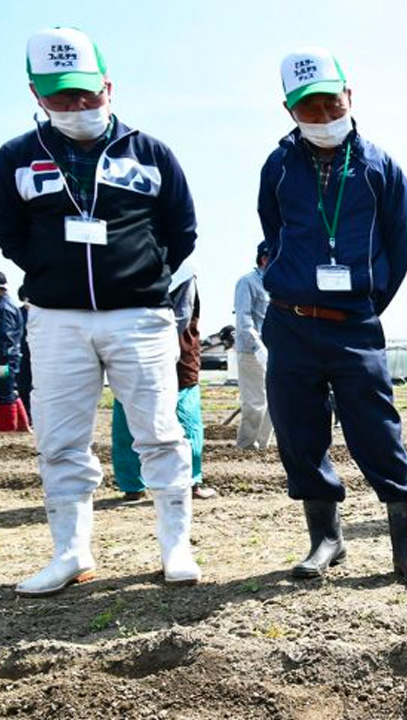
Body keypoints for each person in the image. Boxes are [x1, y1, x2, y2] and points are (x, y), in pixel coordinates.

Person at [0, 27, 200, 595]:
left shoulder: (151, 151)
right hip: (56, 319)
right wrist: (48, 272)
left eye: (87, 93)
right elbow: (9, 232)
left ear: (109, 86)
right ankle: (70, 553)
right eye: (61, 96)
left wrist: (141, 275)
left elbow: (180, 230)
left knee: (160, 434)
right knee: (60, 441)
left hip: (139, 316)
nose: (77, 105)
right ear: (36, 94)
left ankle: (175, 546)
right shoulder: (15, 158)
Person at [257, 47, 407, 586]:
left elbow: (400, 246)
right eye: (309, 109)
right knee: (298, 430)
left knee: (377, 430)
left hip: (354, 323)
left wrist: (365, 300)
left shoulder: (382, 168)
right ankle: (326, 540)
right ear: (289, 109)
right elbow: (272, 231)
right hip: (290, 323)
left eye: (331, 104)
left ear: (349, 97)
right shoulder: (279, 165)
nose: (323, 118)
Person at [111, 263, 216, 501]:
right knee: (182, 417)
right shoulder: (182, 270)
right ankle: (183, 481)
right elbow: (180, 316)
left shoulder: (177, 271)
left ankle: (137, 485)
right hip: (160, 352)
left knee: (131, 412)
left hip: (140, 351)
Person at [233, 241, 273, 450]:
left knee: (276, 402)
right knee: (255, 403)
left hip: (274, 350)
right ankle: (246, 446)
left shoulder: (277, 283)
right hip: (251, 351)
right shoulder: (247, 282)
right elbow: (243, 319)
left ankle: (262, 447)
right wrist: (257, 347)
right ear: (264, 258)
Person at [0, 270, 29, 432]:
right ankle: (23, 427)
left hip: (4, 360)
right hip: (9, 359)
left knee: (4, 394)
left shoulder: (3, 309)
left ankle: (7, 429)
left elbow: (4, 338)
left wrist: (2, 363)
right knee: (10, 391)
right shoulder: (8, 305)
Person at [16, 285, 32, 425]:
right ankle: (25, 417)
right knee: (22, 386)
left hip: (35, 355)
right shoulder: (18, 313)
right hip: (19, 356)